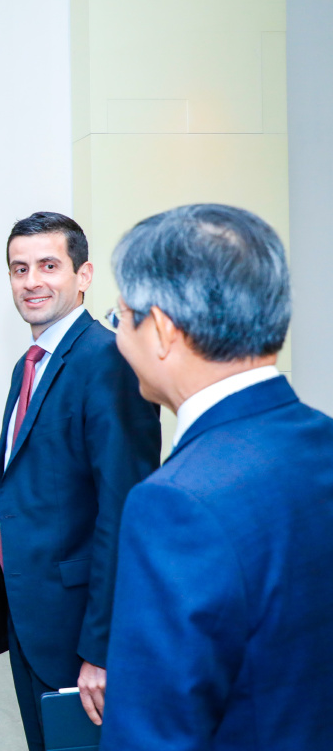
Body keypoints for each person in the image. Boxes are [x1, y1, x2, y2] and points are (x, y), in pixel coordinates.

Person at [100, 204, 333, 750]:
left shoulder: (175, 503)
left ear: (161, 329)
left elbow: (155, 732)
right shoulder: (322, 440)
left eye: (120, 318)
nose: (118, 337)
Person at [0, 213, 160, 751]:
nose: (32, 281)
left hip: (79, 628)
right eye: (19, 268)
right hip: (29, 609)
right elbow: (13, 488)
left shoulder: (108, 362)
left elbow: (124, 513)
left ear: (83, 274)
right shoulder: (31, 364)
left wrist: (102, 647)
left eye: (49, 266)